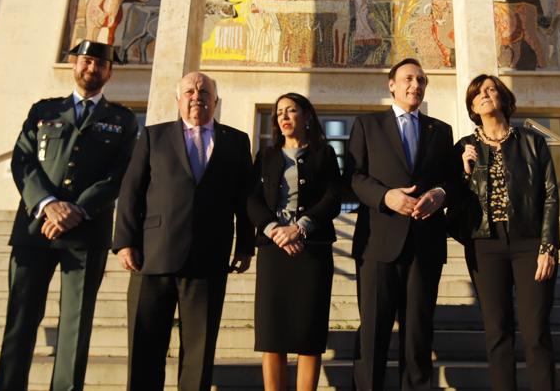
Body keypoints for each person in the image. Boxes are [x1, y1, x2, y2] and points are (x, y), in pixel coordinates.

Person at [0, 40, 139, 391]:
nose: (92, 69)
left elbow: (120, 173)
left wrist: (77, 209)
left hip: (86, 232)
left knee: (75, 324)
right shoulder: (43, 110)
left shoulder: (122, 119)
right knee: (21, 320)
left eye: (99, 65)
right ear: (75, 65)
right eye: (86, 62)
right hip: (35, 230)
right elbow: (23, 160)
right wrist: (47, 204)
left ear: (109, 72)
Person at [114, 71, 256, 391]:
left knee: (199, 352)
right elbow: (131, 191)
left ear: (215, 102)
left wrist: (246, 246)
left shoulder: (236, 140)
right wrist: (125, 242)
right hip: (152, 257)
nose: (197, 96)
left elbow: (245, 197)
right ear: (178, 100)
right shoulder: (153, 136)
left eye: (205, 92)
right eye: (190, 91)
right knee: (145, 348)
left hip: (208, 258)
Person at [349, 58, 463, 391]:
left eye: (422, 80)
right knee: (373, 332)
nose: (416, 85)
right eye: (409, 79)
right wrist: (386, 197)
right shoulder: (367, 125)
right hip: (378, 243)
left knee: (417, 333)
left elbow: (453, 181)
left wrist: (440, 195)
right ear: (392, 85)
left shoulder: (440, 131)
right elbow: (353, 177)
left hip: (425, 244)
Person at [450, 75, 559, 391]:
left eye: (490, 89)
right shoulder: (464, 147)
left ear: (503, 97)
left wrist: (548, 245)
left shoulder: (531, 141)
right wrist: (465, 173)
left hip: (529, 243)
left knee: (536, 330)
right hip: (485, 245)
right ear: (472, 106)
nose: (484, 95)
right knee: (497, 331)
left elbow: (551, 193)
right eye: (477, 94)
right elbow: (454, 199)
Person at [247, 93, 343, 391]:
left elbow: (333, 198)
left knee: (308, 335)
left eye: (291, 111)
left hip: (311, 252)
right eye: (279, 113)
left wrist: (301, 228)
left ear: (306, 116)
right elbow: (252, 199)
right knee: (272, 334)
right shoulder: (266, 156)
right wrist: (275, 229)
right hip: (273, 250)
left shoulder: (324, 154)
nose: (284, 117)